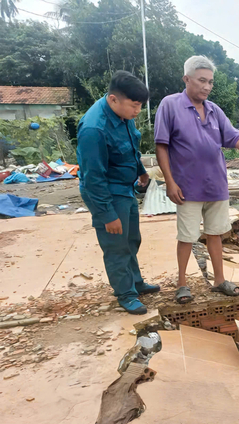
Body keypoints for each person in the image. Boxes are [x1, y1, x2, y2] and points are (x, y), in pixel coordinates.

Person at [155, 55, 239, 304]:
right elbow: (161, 146)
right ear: (186, 79)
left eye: (210, 82)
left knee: (215, 233)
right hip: (186, 187)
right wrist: (170, 181)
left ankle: (219, 279)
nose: (207, 87)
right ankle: (182, 284)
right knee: (187, 236)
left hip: (216, 185)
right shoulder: (170, 105)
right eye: (202, 81)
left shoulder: (214, 110)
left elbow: (234, 137)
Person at [77, 71, 159, 315]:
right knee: (116, 245)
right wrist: (107, 214)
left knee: (132, 239)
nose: (138, 111)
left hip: (125, 188)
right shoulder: (94, 129)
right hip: (106, 192)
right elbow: (93, 179)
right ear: (114, 99)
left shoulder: (123, 115)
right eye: (135, 106)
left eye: (140, 106)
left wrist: (142, 171)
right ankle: (125, 294)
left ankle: (135, 282)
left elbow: (130, 148)